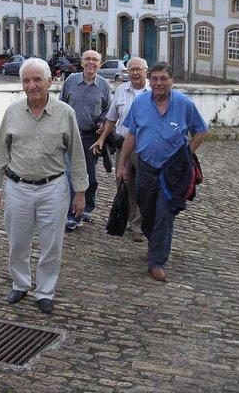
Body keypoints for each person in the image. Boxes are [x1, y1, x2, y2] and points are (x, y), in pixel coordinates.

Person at [0, 58, 88, 314]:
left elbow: (76, 154)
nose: (32, 85)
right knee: (18, 242)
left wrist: (80, 192)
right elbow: (1, 150)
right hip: (18, 186)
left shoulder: (65, 113)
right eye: (26, 80)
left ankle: (45, 291)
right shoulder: (12, 112)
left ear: (49, 82)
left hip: (53, 187)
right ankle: (20, 284)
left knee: (51, 243)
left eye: (37, 80)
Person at [117, 62, 208, 282]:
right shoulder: (140, 103)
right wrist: (122, 164)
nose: (159, 83)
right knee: (147, 211)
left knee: (165, 214)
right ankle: (155, 241)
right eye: (155, 78)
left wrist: (187, 154)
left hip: (172, 172)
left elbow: (201, 130)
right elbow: (131, 134)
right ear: (150, 79)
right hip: (146, 167)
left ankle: (157, 261)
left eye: (163, 78)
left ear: (171, 80)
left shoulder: (184, 104)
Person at [91, 57, 150, 242]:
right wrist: (101, 139)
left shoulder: (153, 91)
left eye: (138, 69)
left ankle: (140, 226)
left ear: (145, 70)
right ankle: (132, 221)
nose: (134, 73)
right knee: (124, 183)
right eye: (131, 69)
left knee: (144, 186)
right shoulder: (121, 91)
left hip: (145, 146)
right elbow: (111, 119)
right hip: (124, 144)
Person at [59, 50, 111, 230]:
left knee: (89, 176)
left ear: (100, 63)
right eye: (87, 59)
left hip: (90, 137)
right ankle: (72, 215)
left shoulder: (104, 85)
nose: (91, 62)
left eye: (95, 59)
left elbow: (108, 110)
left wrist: (103, 122)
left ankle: (87, 207)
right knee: (70, 175)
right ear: (81, 62)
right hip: (69, 135)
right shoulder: (71, 80)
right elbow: (61, 105)